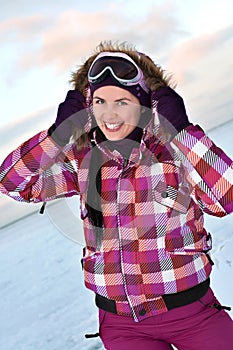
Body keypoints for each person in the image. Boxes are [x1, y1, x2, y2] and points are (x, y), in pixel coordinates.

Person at [0, 41, 233, 350]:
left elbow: (225, 197)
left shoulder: (176, 152)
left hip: (193, 314)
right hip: (122, 327)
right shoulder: (82, 160)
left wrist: (182, 132)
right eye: (100, 102)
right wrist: (56, 137)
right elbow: (12, 182)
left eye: (122, 101)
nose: (110, 113)